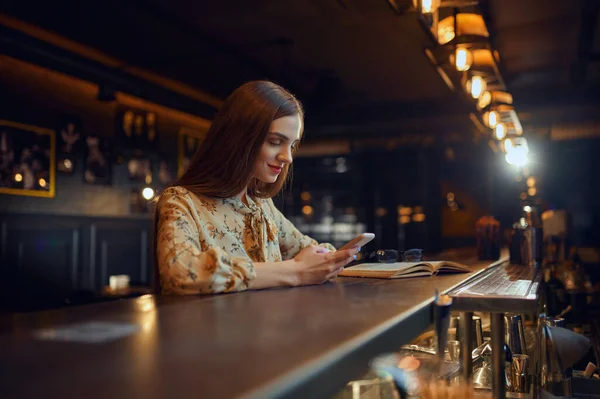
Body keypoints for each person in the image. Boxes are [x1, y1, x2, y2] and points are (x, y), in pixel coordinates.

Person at [154, 81, 359, 295]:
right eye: (274, 141)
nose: (287, 157)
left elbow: (309, 250)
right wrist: (296, 271)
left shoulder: (262, 205)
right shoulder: (181, 200)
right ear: (238, 139)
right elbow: (179, 273)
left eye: (291, 145)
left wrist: (332, 258)